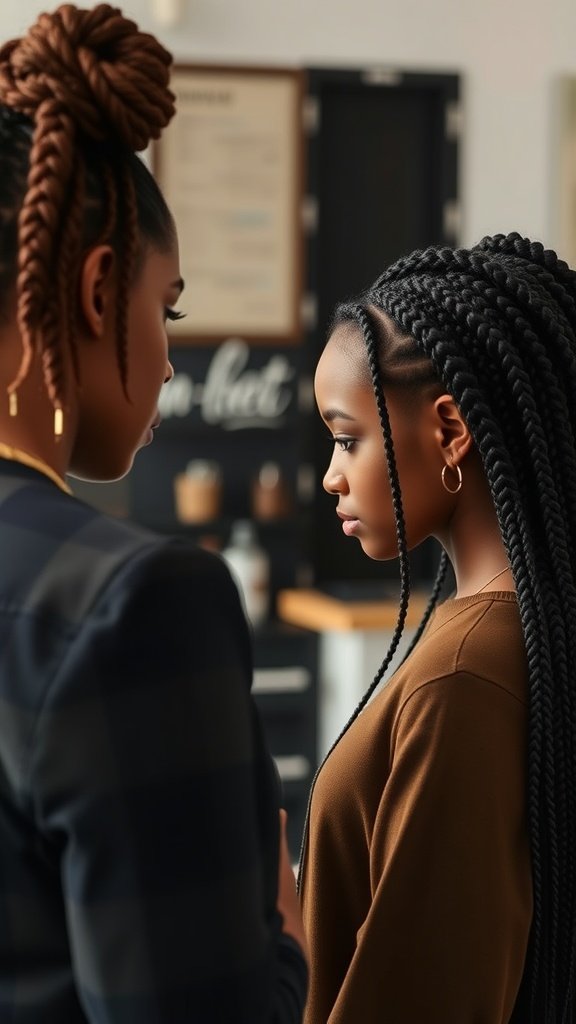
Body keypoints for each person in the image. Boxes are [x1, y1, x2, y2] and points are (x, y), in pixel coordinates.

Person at [0, 4, 307, 1022]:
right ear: (96, 289)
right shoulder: (127, 605)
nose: (171, 359)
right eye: (165, 308)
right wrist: (287, 951)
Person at [299, 231, 576, 1023]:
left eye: (347, 437)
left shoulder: (465, 674)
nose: (331, 475)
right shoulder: (512, 632)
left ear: (449, 430)